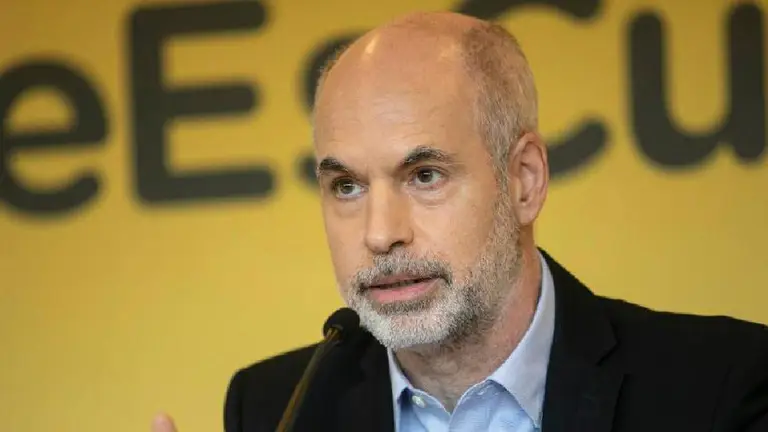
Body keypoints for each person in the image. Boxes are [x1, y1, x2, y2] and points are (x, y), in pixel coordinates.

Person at [151, 11, 768, 432]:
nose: (379, 233)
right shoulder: (277, 409)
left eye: (424, 175)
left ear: (524, 180)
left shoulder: (718, 388)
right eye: (347, 186)